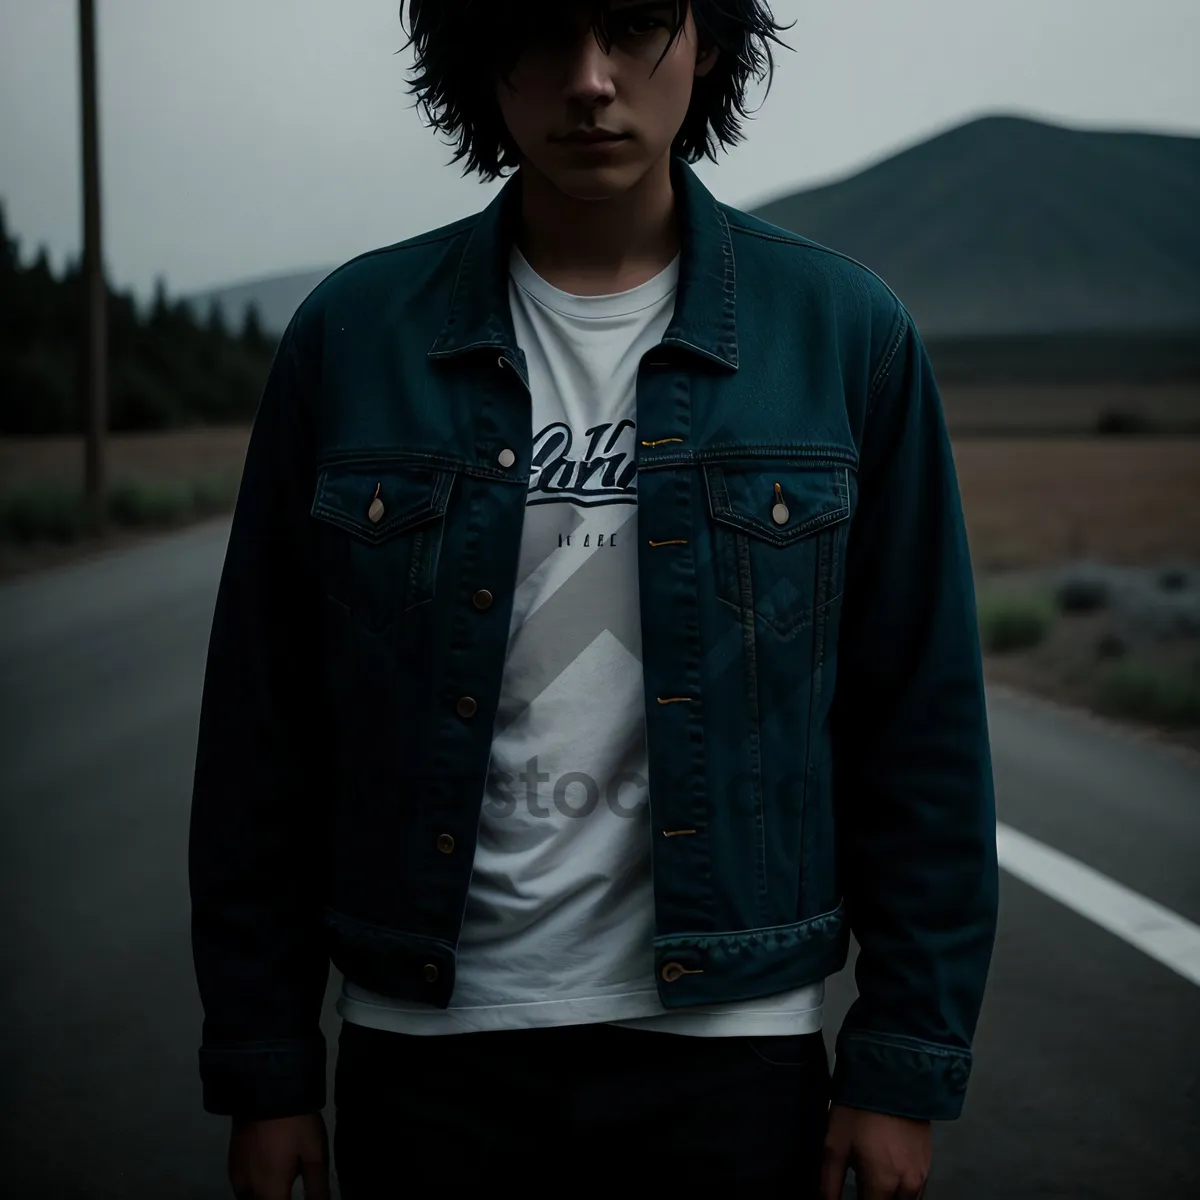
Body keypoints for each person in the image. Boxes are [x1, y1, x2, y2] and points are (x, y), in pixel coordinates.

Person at [188, 1, 1000, 1196]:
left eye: (631, 30)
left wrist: (899, 1065)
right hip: (429, 1058)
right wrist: (266, 1067)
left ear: (709, 44)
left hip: (732, 1054)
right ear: (480, 60)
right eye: (540, 35)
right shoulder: (353, 340)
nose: (588, 80)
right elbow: (265, 732)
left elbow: (919, 728)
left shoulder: (843, 335)